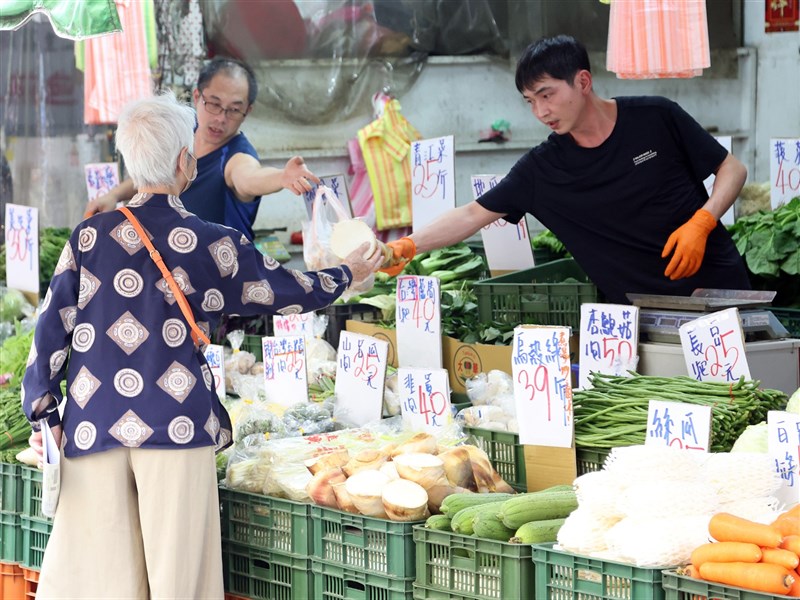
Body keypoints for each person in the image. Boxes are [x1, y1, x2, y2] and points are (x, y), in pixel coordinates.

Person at [22, 91, 383, 599]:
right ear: (182, 162)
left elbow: (47, 337)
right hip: (177, 422)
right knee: (179, 579)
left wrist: (45, 416)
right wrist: (349, 273)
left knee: (99, 583)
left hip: (93, 421)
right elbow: (286, 293)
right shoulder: (213, 242)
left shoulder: (88, 238)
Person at [382, 35, 751, 304]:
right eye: (530, 101)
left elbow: (731, 169)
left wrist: (702, 222)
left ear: (583, 82)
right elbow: (472, 214)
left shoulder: (656, 117)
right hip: (640, 317)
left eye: (547, 95)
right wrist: (407, 245)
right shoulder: (542, 170)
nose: (540, 112)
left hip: (720, 293)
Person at [86, 56, 319, 241]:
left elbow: (248, 177)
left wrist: (282, 177)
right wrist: (113, 195)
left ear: (247, 111)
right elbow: (154, 173)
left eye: (234, 109)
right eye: (214, 104)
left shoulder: (237, 155)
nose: (220, 118)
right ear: (197, 96)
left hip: (220, 279)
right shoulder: (182, 134)